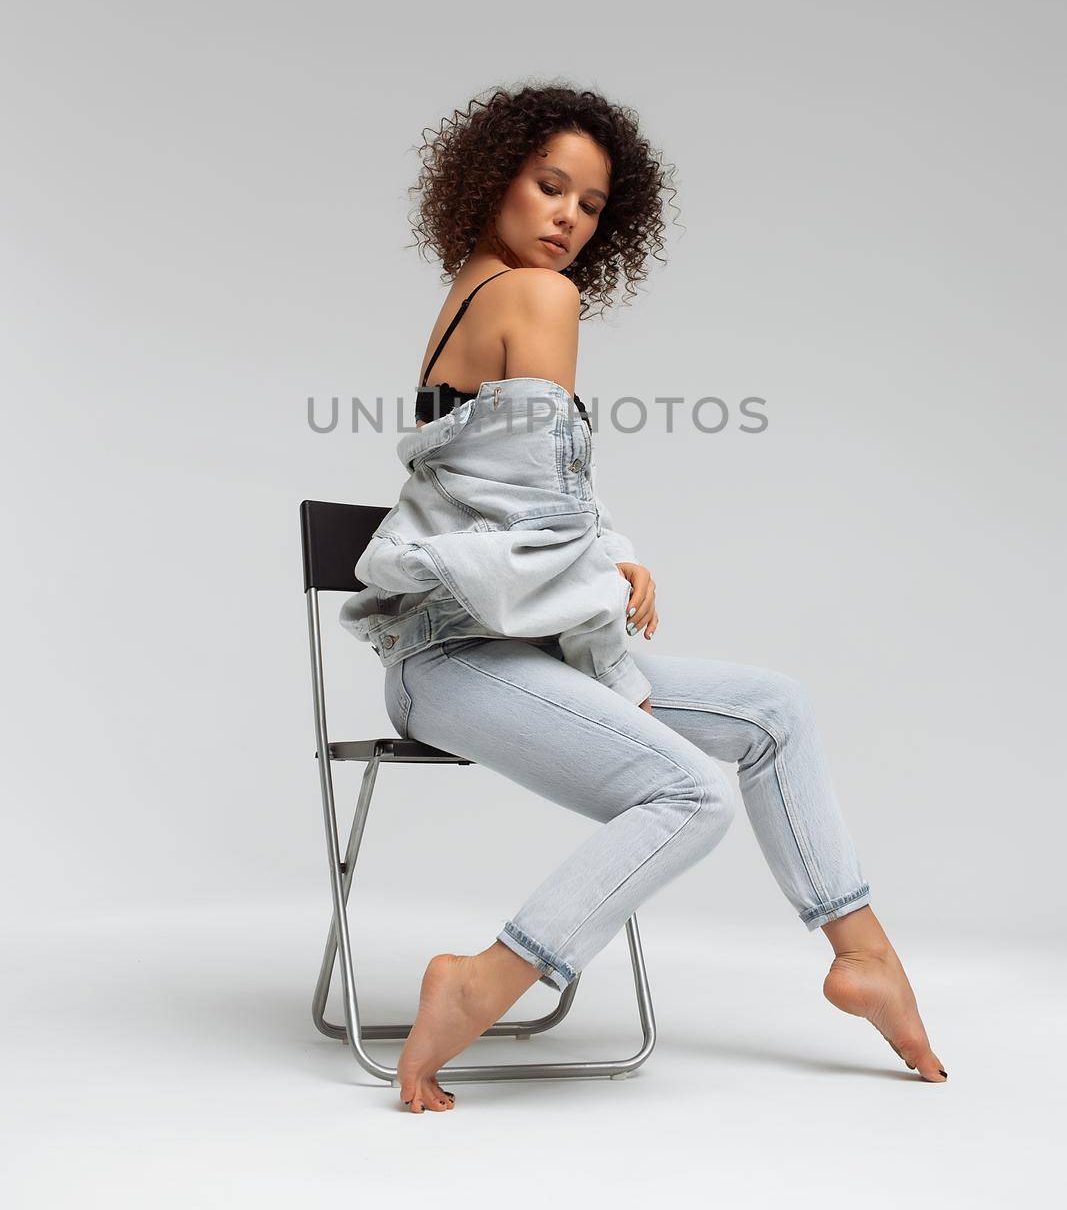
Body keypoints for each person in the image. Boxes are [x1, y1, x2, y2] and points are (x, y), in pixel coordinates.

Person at [352, 82, 947, 1113]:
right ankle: (481, 982)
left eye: (587, 206)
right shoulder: (539, 299)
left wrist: (609, 557)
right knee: (687, 792)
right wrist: (604, 651)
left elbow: (514, 497)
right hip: (457, 659)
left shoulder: (476, 283)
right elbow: (540, 523)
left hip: (502, 647)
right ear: (493, 176)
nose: (566, 220)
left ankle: (866, 958)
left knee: (773, 709)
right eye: (548, 187)